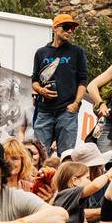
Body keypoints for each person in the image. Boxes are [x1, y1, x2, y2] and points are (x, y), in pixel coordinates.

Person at [30, 13, 88, 157]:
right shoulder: (41, 53)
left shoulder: (77, 52)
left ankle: (62, 180)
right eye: (67, 27)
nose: (70, 31)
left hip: (67, 111)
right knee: (39, 154)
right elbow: (34, 80)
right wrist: (41, 90)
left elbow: (83, 80)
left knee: (66, 155)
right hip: (44, 110)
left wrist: (76, 103)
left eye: (72, 29)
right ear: (55, 28)